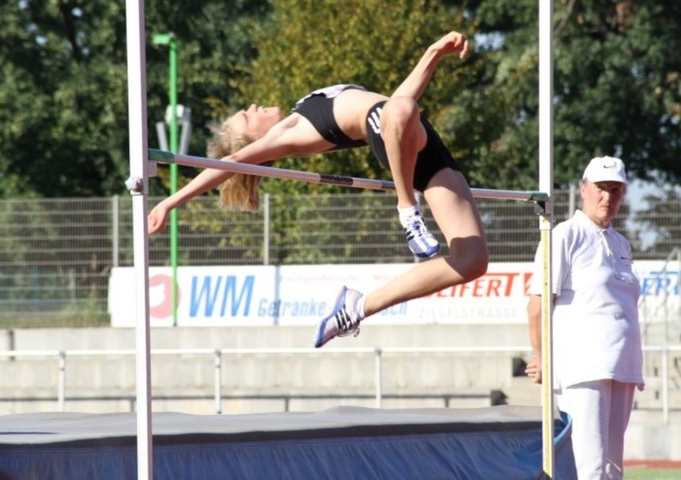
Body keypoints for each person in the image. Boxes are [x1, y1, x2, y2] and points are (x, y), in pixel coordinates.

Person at [148, 31, 489, 348]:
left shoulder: (302, 111)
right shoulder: (286, 135)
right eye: (245, 115)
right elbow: (230, 163)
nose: (252, 107)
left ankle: (357, 308)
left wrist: (433, 53)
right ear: (253, 138)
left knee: (473, 262)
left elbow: (396, 106)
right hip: (395, 126)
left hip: (413, 137)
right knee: (400, 110)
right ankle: (407, 210)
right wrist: (170, 203)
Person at [525, 156, 644, 480]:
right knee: (588, 466)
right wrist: (541, 358)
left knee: (612, 467)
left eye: (616, 190)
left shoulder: (621, 243)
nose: (608, 197)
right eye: (601, 188)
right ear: (583, 190)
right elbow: (537, 302)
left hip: (622, 365)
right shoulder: (566, 235)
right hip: (583, 367)